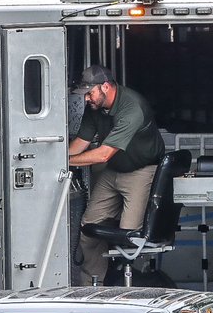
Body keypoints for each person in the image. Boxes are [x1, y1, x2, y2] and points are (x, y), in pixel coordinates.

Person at [68, 64, 166, 286]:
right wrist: (56, 159)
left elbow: (102, 155)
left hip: (141, 171)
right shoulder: (95, 107)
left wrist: (66, 161)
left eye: (89, 94)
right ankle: (92, 287)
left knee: (130, 236)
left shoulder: (132, 108)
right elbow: (79, 145)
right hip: (114, 170)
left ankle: (132, 285)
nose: (86, 100)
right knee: (88, 228)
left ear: (105, 87)